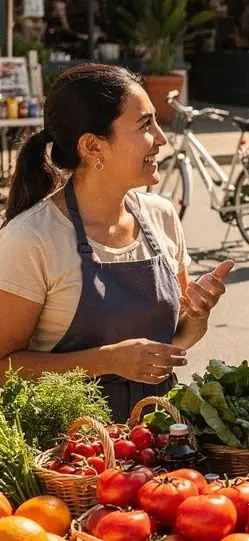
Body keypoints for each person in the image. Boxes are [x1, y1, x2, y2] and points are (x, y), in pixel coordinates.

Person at [0, 64, 233, 420]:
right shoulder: (31, 238)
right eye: (144, 125)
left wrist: (198, 315)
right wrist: (107, 361)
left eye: (156, 121)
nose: (162, 138)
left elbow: (175, 341)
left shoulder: (162, 217)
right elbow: (4, 369)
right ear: (93, 146)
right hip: (69, 454)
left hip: (155, 437)